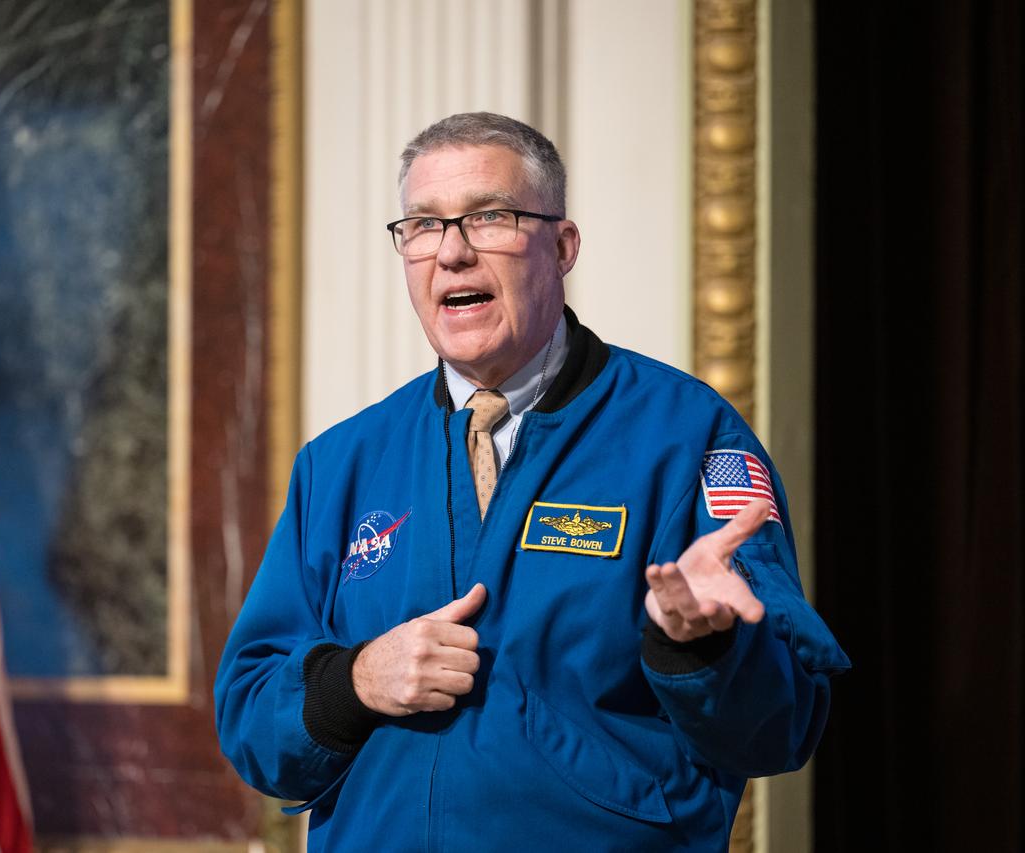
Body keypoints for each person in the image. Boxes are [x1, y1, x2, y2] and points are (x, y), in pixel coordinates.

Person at [214, 112, 849, 851]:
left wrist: (700, 648)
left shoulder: (688, 437)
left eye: (490, 217)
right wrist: (353, 680)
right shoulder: (342, 461)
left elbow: (783, 729)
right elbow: (250, 715)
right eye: (423, 225)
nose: (451, 253)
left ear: (563, 245)